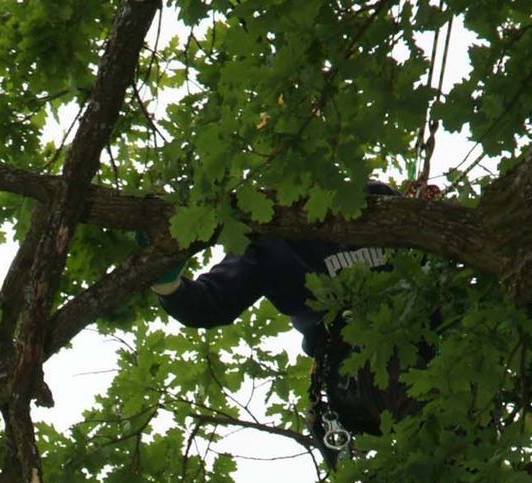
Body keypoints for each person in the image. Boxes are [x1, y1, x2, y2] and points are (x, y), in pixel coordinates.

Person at [152, 182, 431, 459]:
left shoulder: (374, 198)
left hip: (424, 342)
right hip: (353, 369)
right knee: (408, 384)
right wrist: (166, 279)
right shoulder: (270, 236)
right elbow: (210, 303)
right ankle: (441, 436)